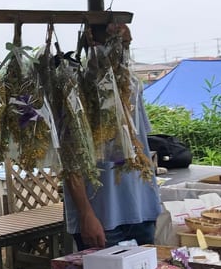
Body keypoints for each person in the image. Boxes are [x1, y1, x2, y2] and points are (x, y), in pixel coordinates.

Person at [63, 23, 162, 249]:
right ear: (93, 43)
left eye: (127, 44)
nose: (124, 50)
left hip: (143, 210)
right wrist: (86, 214)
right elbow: (70, 163)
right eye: (119, 43)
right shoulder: (76, 95)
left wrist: (154, 199)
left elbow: (141, 147)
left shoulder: (132, 88)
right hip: (102, 217)